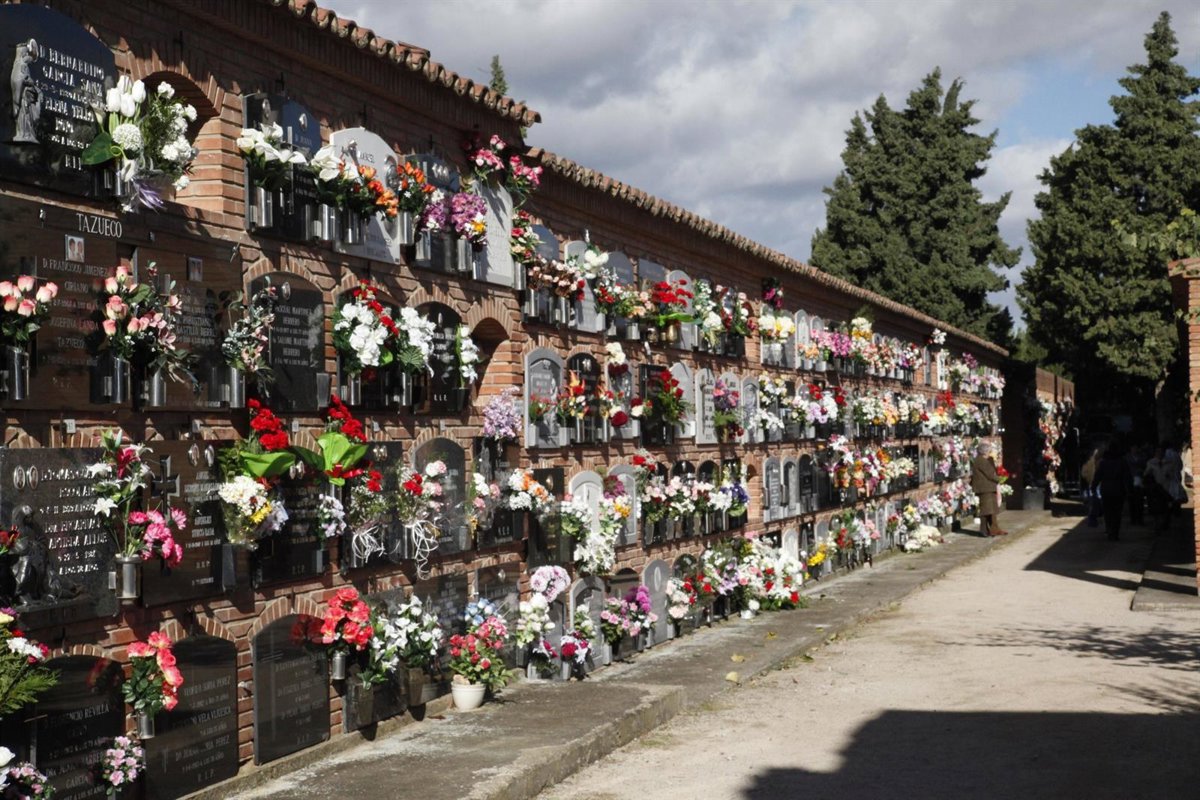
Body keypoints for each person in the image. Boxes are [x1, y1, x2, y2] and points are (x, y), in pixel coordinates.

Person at [1092, 442, 1132, 541]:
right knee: (1117, 513)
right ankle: (1115, 532)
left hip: (1106, 490)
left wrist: (1093, 487)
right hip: (1119, 490)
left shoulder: (1104, 462)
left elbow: (1098, 476)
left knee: (1108, 512)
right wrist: (1129, 490)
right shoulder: (1122, 462)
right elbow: (1127, 477)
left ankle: (1110, 530)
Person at [970, 442, 1006, 536]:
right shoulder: (981, 461)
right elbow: (990, 473)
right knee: (987, 510)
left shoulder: (982, 460)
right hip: (985, 488)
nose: (990, 453)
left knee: (991, 509)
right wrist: (1000, 479)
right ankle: (984, 530)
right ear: (985, 452)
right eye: (989, 451)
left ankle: (993, 528)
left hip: (987, 487)